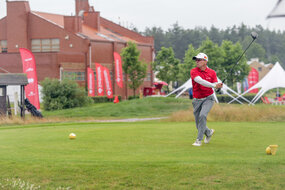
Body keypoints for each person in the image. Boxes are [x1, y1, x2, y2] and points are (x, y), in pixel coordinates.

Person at [190, 53, 223, 146]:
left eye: (199, 60)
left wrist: (218, 86)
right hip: (197, 100)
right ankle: (208, 132)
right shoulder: (193, 71)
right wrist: (214, 85)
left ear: (205, 61)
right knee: (198, 124)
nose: (197, 61)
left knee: (202, 116)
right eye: (196, 60)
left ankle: (198, 140)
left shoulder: (212, 72)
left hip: (209, 98)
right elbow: (200, 81)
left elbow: (215, 84)